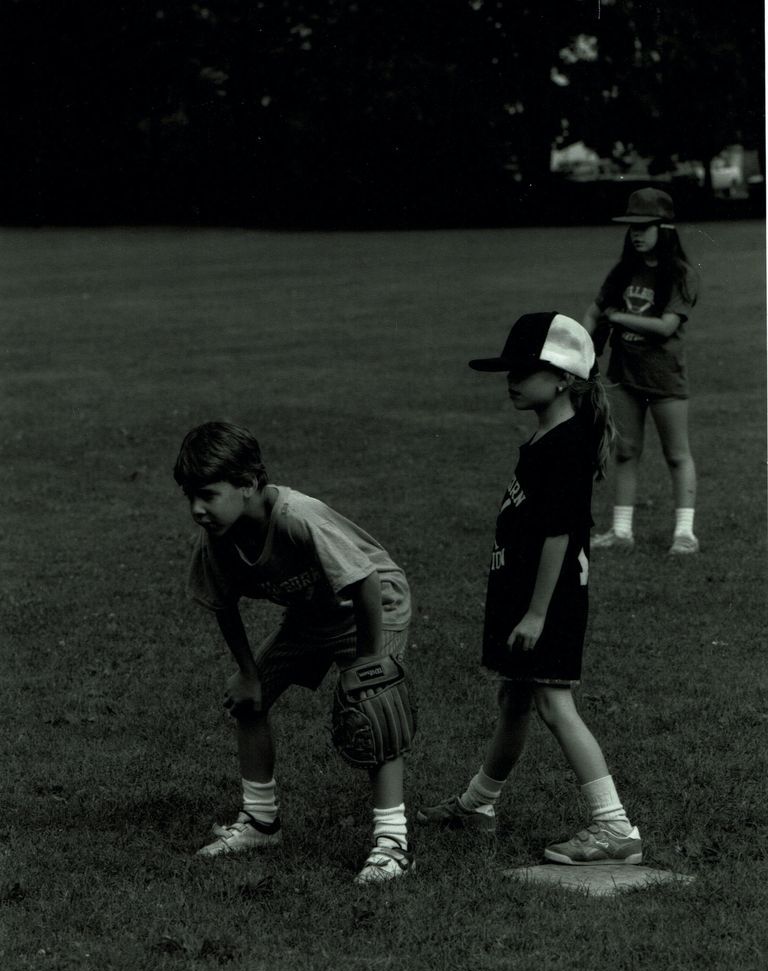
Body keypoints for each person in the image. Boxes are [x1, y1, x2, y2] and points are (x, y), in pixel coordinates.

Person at [417, 313, 642, 865]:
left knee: (550, 700)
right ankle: (478, 804)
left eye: (526, 369)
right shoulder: (552, 434)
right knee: (515, 699)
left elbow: (560, 533)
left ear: (563, 377)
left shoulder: (564, 444)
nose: (512, 379)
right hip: (524, 595)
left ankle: (614, 825)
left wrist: (537, 614)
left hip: (549, 600)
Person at [173, 421, 415, 884]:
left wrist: (368, 666)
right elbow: (223, 604)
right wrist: (248, 673)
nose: (197, 509)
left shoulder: (298, 516)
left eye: (207, 494)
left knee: (377, 707)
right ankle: (262, 822)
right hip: (312, 615)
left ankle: (393, 844)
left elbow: (365, 581)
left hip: (372, 606)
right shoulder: (217, 540)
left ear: (248, 484)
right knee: (249, 699)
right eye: (190, 497)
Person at [582, 187, 700, 554]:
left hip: (664, 376)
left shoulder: (680, 274)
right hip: (625, 373)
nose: (636, 232)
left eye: (644, 226)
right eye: (632, 226)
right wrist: (582, 347)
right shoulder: (623, 271)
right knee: (626, 451)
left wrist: (618, 317)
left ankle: (684, 534)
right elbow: (593, 312)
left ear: (664, 229)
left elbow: (666, 326)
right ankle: (621, 532)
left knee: (676, 453)